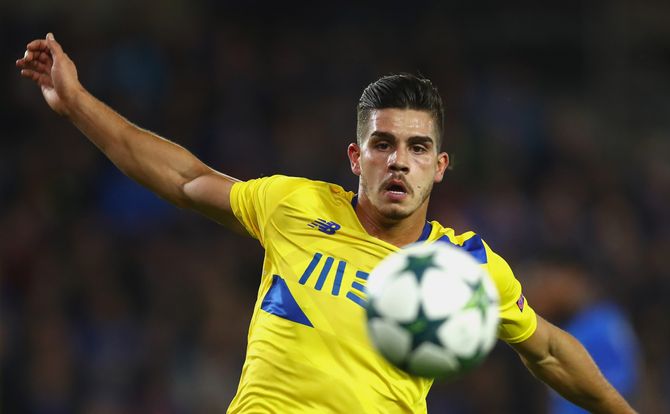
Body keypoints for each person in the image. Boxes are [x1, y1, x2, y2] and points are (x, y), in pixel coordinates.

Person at [17, 33, 635, 413]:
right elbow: (182, 179)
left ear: (440, 166)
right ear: (355, 156)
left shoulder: (465, 265)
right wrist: (76, 102)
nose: (399, 160)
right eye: (383, 144)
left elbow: (548, 348)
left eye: (418, 148)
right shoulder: (294, 205)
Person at [523, 255, 641, 414]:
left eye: (548, 281)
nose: (543, 291)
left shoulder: (600, 326)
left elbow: (623, 391)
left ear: (574, 277)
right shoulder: (575, 326)